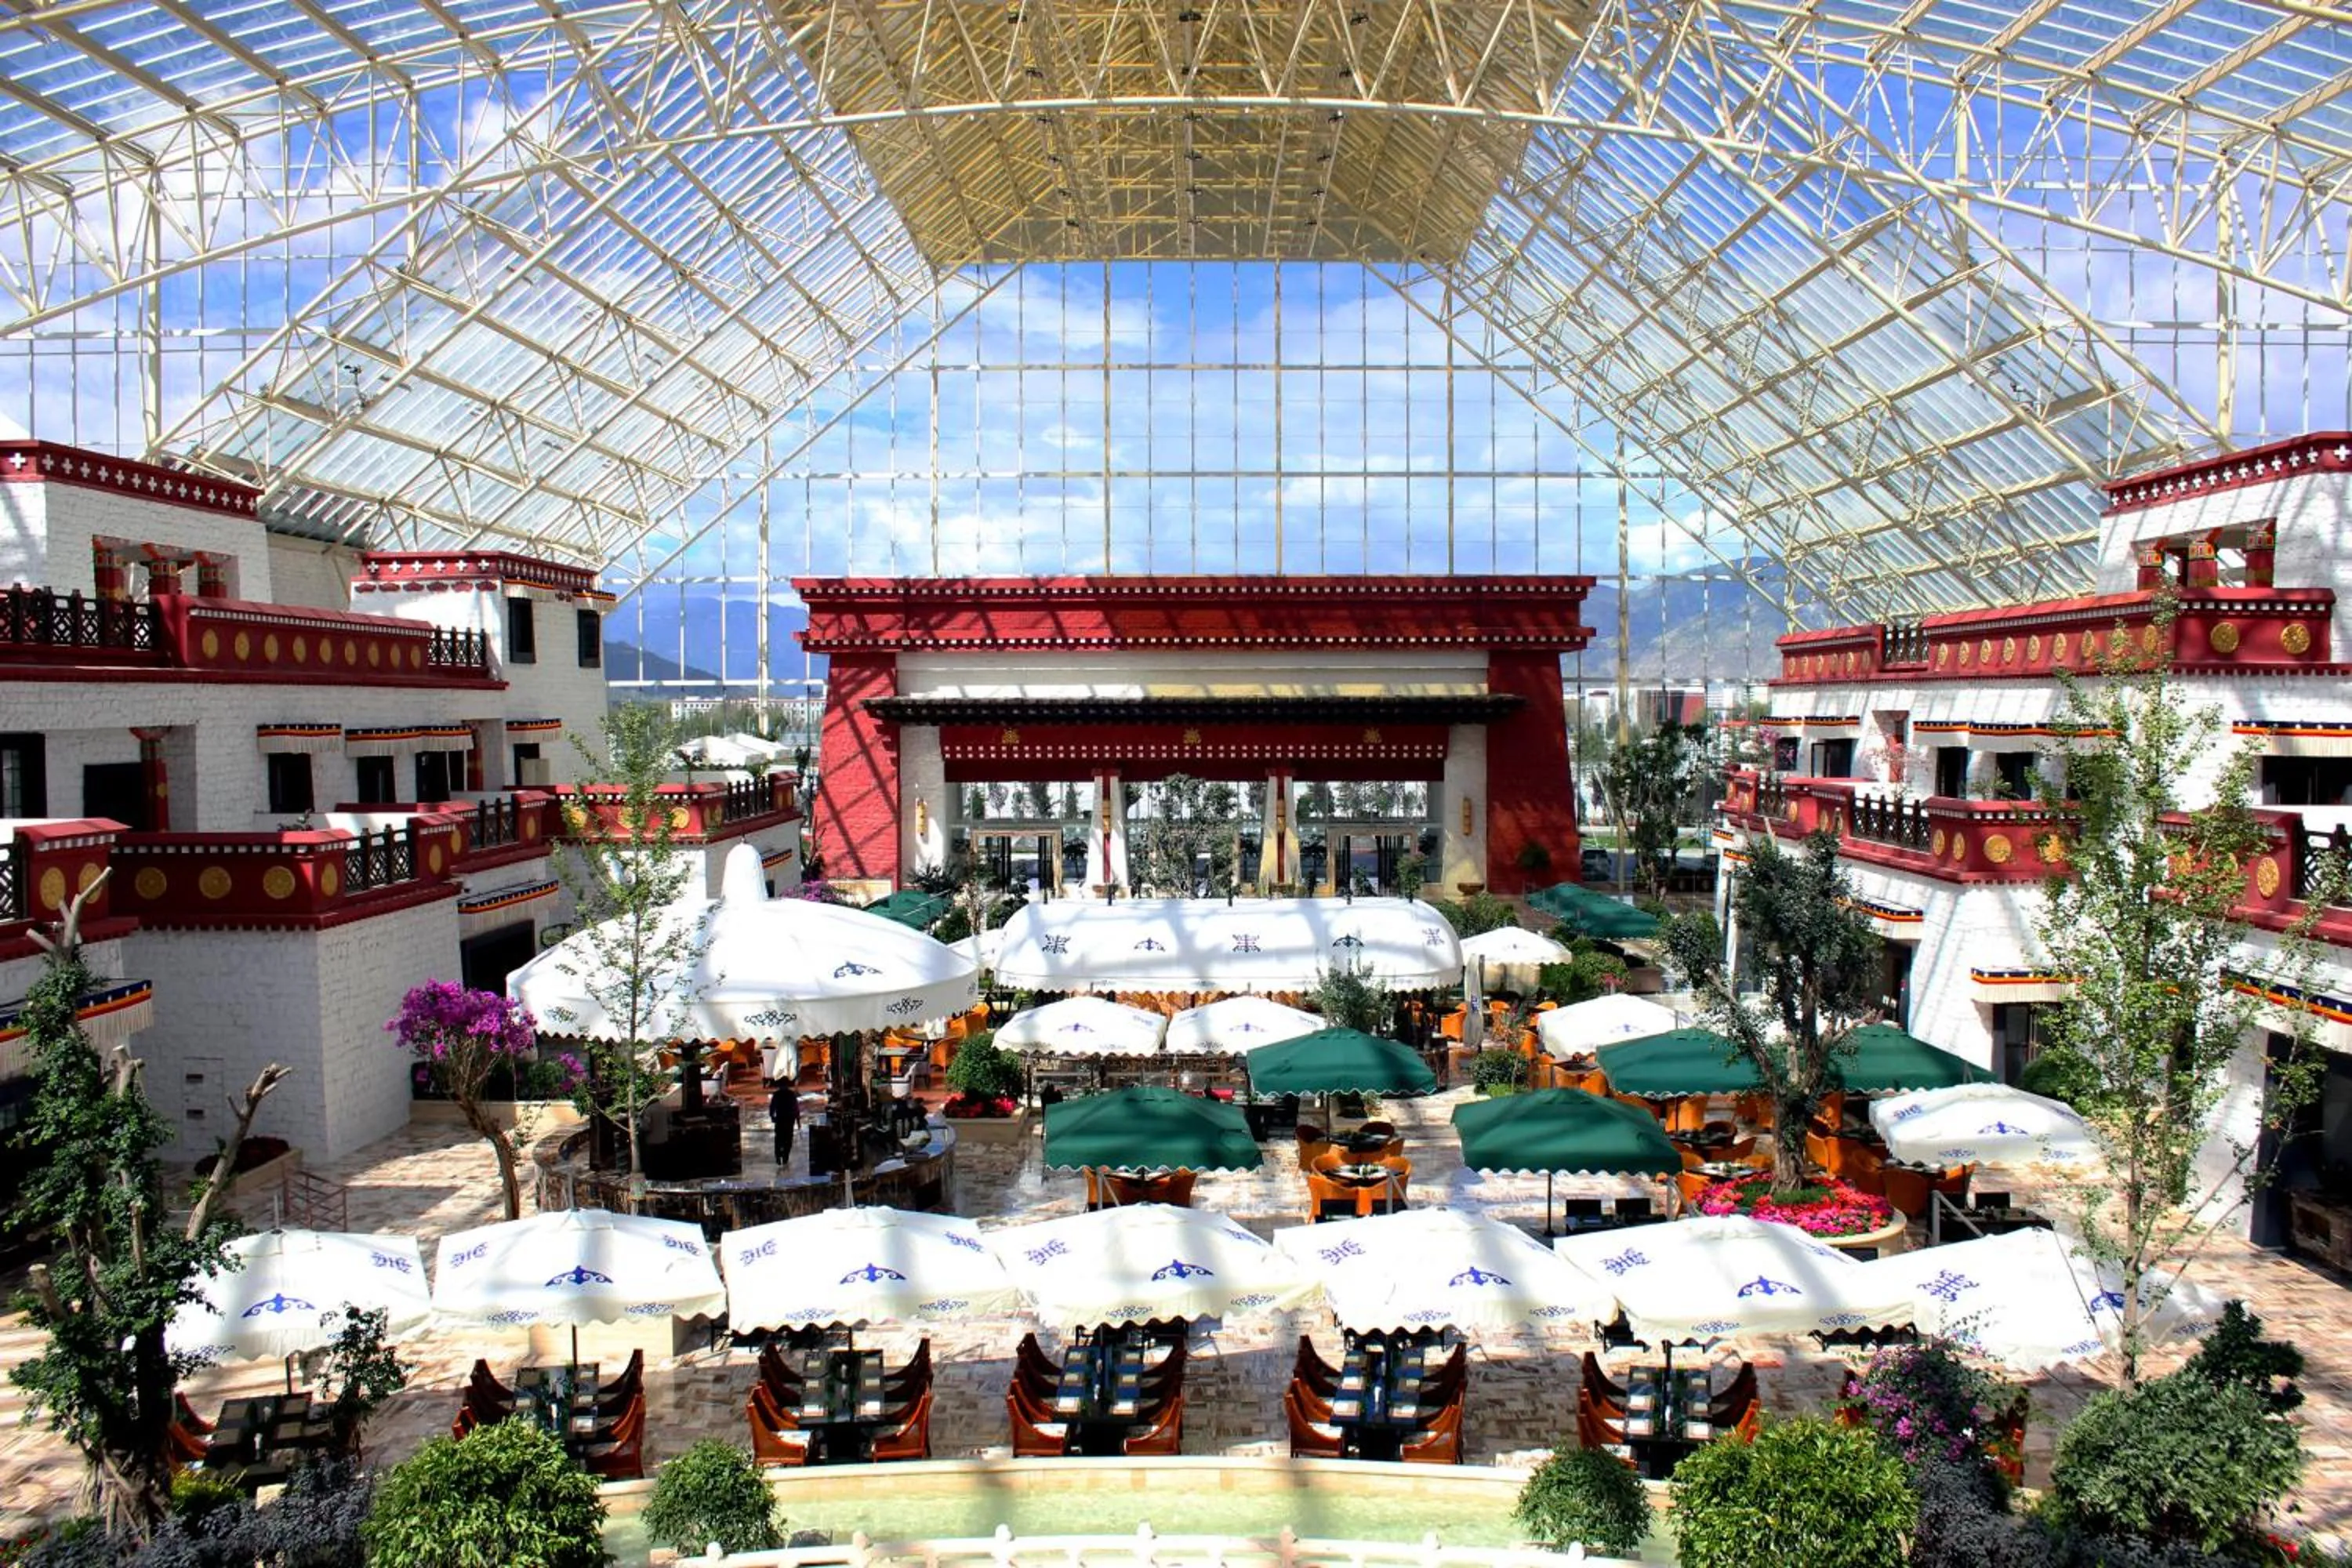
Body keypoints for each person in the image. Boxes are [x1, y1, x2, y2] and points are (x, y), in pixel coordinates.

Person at [769, 1081, 799, 1167]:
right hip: (789, 1119)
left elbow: (772, 1107)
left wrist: (772, 1116)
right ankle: (785, 1157)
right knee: (788, 1139)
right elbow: (796, 1108)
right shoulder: (791, 1094)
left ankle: (779, 1156)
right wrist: (798, 1120)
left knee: (779, 1138)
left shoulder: (777, 1094)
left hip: (780, 1119)